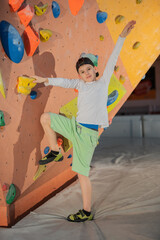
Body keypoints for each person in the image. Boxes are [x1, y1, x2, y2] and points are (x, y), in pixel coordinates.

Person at [32, 20, 136, 222]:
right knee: (46, 118)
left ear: (95, 70)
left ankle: (86, 212)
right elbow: (63, 81)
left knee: (81, 174)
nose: (86, 73)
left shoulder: (102, 82)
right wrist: (45, 80)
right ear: (79, 75)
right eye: (82, 72)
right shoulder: (80, 84)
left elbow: (114, 55)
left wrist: (122, 35)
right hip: (74, 126)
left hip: (87, 136)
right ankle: (54, 150)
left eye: (89, 69)